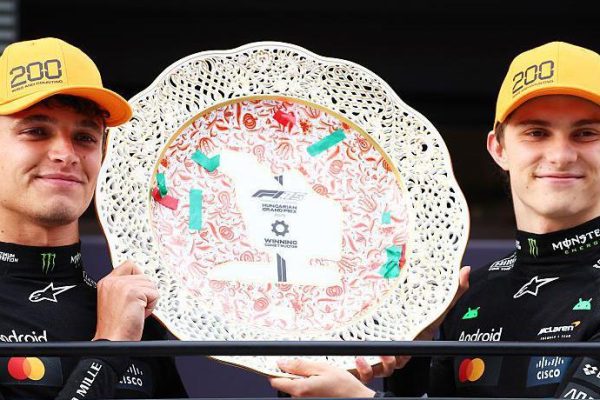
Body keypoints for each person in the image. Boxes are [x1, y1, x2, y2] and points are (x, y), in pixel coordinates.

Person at [270, 41, 600, 399]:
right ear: (499, 148)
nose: (561, 155)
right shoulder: (473, 292)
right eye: (536, 132)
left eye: (586, 133)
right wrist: (412, 356)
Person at [0, 37, 186, 399]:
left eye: (85, 137)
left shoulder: (133, 310)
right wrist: (109, 349)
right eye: (36, 131)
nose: (65, 153)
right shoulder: (121, 323)